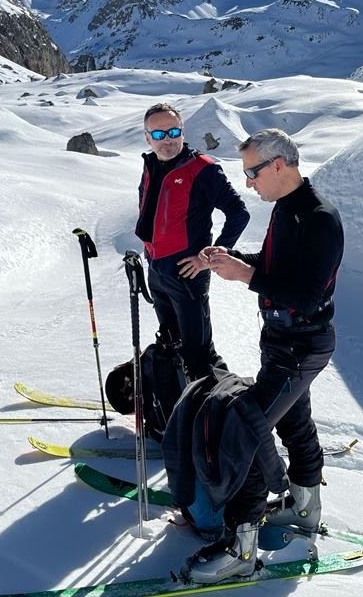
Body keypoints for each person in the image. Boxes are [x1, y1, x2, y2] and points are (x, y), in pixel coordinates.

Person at [186, 128, 344, 584]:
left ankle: (241, 545)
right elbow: (277, 267)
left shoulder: (319, 217)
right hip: (282, 342)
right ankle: (303, 506)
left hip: (302, 342)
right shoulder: (287, 210)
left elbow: (308, 294)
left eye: (252, 172)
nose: (249, 183)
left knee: (244, 427)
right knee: (294, 421)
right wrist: (233, 258)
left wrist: (245, 275)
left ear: (279, 164)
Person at [135, 103, 250, 380]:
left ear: (183, 132)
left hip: (187, 274)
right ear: (147, 137)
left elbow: (239, 213)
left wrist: (208, 258)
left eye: (173, 131)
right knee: (171, 346)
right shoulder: (151, 164)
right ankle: (183, 404)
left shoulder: (203, 169)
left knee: (200, 353)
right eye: (159, 134)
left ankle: (223, 410)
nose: (168, 140)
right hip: (157, 271)